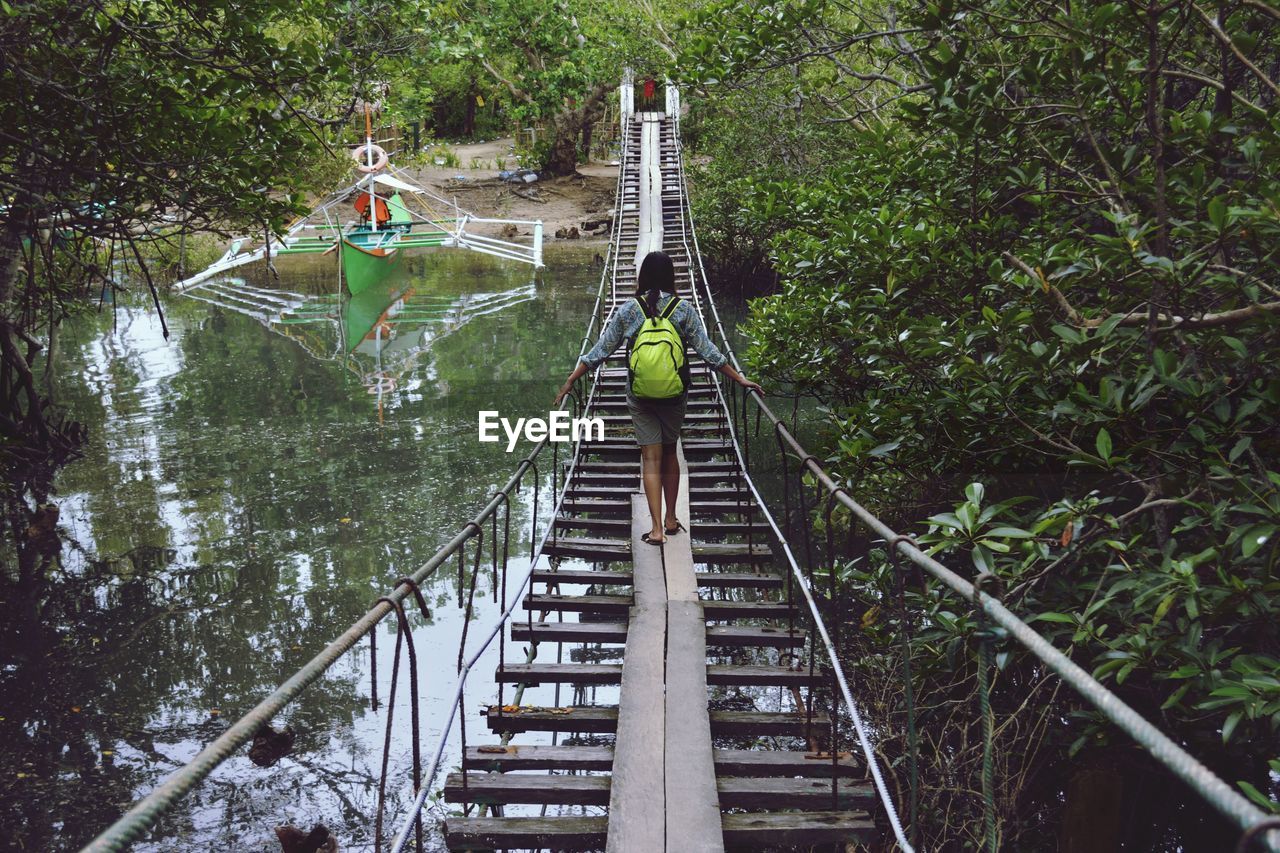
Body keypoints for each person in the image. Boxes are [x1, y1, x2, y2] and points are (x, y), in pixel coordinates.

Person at [554, 251, 763, 545]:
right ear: (671, 276)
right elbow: (708, 352)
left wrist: (570, 381)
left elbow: (601, 350)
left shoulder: (628, 310)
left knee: (650, 459)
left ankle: (655, 529)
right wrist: (739, 378)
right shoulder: (683, 309)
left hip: (639, 394)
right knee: (669, 452)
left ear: (642, 276)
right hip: (675, 393)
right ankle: (671, 518)